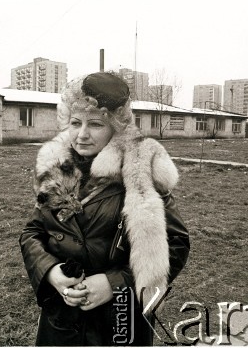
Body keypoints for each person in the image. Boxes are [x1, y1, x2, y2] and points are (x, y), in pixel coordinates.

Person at [19, 72, 190, 346]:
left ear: (116, 126)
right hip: (61, 322)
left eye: (95, 124)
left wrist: (114, 284)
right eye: (76, 123)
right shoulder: (56, 167)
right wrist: (51, 273)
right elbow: (33, 231)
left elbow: (176, 244)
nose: (82, 134)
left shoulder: (139, 171)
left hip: (118, 323)